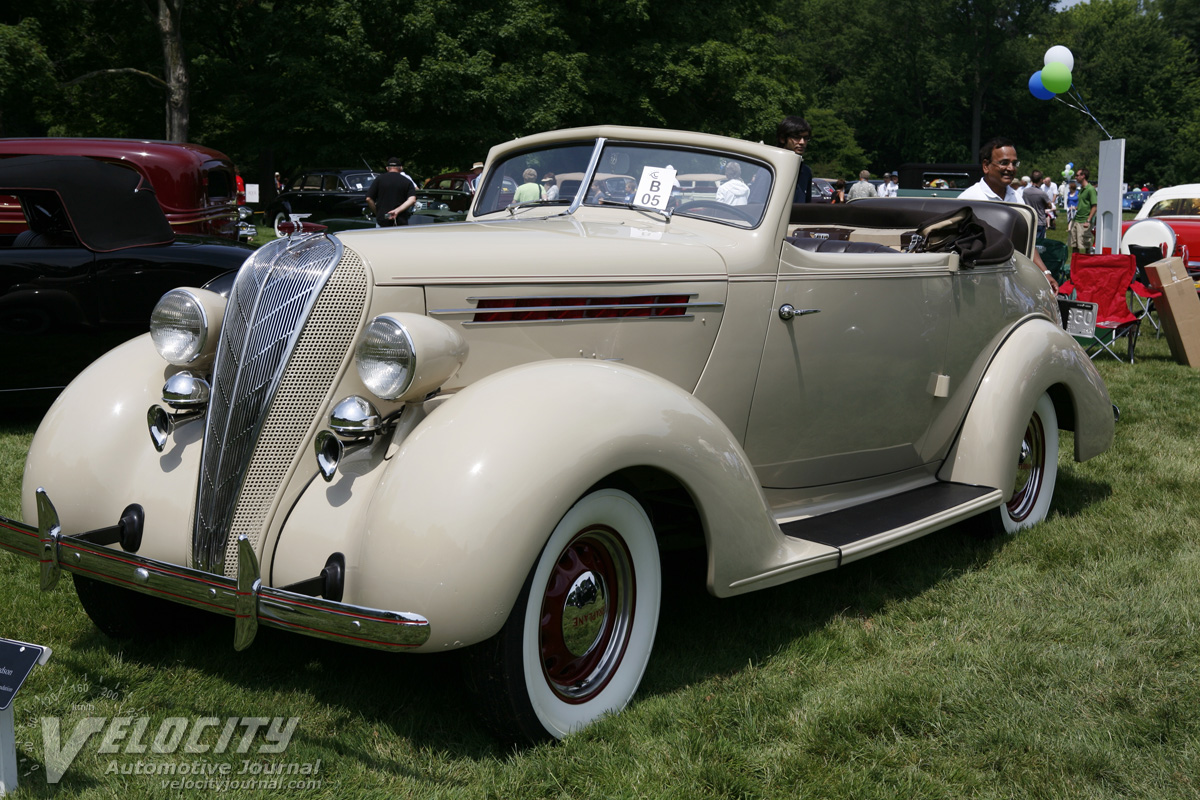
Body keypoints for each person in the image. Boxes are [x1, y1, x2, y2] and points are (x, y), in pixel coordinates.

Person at [959, 138, 1058, 290]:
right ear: (986, 166)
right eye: (1004, 162)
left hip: (1013, 283)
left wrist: (1045, 272)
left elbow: (1028, 241)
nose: (1011, 168)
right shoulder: (969, 199)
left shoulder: (1017, 197)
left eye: (1014, 163)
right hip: (979, 285)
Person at [365, 156, 416, 227]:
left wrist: (378, 213)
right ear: (401, 168)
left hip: (382, 221)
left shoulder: (379, 180)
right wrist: (397, 211)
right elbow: (412, 200)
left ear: (387, 168)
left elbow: (368, 199)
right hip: (400, 221)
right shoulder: (407, 181)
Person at [776, 115, 813, 204]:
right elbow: (756, 204)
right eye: (796, 137)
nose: (802, 142)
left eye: (806, 138)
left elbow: (806, 206)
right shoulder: (772, 167)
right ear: (782, 138)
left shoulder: (806, 171)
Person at [1070, 168, 1098, 255]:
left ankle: (1087, 265)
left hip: (1084, 221)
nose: (1076, 177)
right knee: (1074, 245)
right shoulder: (1081, 189)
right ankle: (1075, 265)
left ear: (1083, 176)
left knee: (1085, 245)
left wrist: (1088, 220)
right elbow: (1084, 203)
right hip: (1076, 219)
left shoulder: (1090, 189)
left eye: (1077, 175)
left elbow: (1094, 206)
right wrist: (1076, 208)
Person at [1023, 169, 1052, 240]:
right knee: (1039, 244)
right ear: (1041, 180)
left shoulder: (1025, 191)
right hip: (1040, 221)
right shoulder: (1042, 193)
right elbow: (1049, 205)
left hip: (1029, 220)